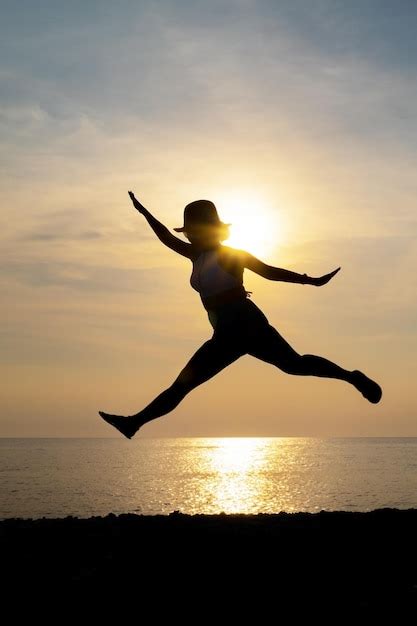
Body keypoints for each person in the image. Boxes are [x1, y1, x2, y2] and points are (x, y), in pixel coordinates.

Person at [99, 192, 382, 439]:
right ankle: (133, 424)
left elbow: (270, 272)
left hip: (245, 324)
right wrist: (143, 211)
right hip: (224, 331)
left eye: (196, 229)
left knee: (291, 365)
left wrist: (311, 281)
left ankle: (352, 377)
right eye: (190, 231)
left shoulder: (231, 254)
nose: (191, 235)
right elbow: (165, 237)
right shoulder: (194, 256)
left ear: (210, 229)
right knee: (291, 365)